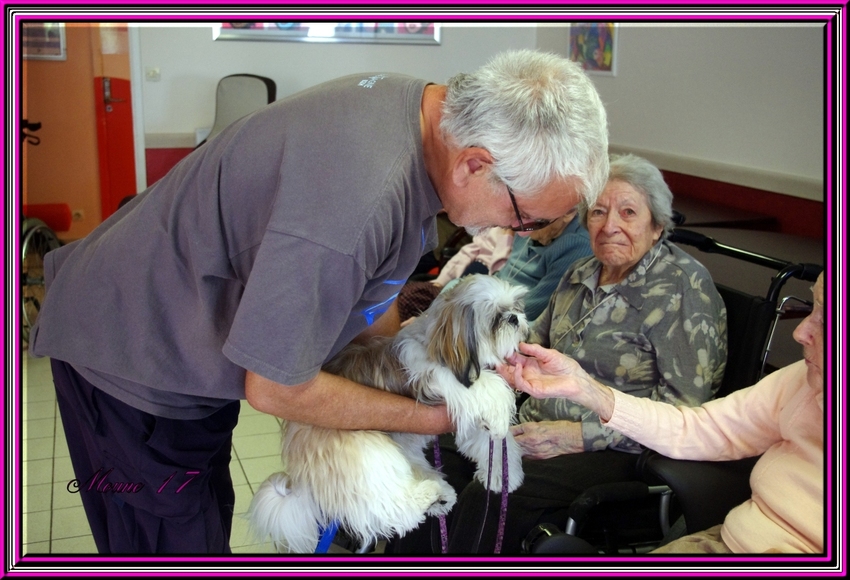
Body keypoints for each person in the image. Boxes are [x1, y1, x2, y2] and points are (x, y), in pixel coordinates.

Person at [27, 49, 609, 553]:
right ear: (475, 163)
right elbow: (276, 386)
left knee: (202, 519)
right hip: (129, 354)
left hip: (187, 341)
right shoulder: (356, 200)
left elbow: (359, 305)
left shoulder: (422, 113)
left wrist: (441, 360)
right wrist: (438, 414)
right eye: (526, 216)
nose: (523, 230)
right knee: (169, 542)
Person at [440, 153, 727, 554]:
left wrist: (578, 435)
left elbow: (686, 413)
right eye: (598, 212)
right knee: (438, 449)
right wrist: (493, 362)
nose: (610, 226)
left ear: (658, 225)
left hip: (617, 449)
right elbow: (531, 343)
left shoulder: (683, 289)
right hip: (533, 425)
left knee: (493, 489)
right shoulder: (580, 272)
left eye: (628, 212)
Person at [503, 271, 825, 553]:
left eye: (826, 318)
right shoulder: (803, 379)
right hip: (728, 540)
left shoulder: (682, 288)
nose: (800, 332)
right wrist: (586, 390)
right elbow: (700, 428)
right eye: (812, 307)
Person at [397, 210, 592, 322]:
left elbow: (528, 310)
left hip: (498, 321)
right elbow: (498, 276)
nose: (521, 232)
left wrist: (438, 319)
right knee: (403, 301)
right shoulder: (534, 219)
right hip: (482, 302)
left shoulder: (577, 245)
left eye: (536, 222)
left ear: (568, 212)